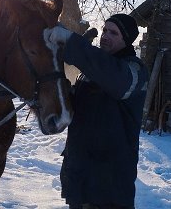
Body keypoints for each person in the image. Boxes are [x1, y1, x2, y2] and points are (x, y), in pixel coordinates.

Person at [48, 14, 148, 209]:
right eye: (105, 30)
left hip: (109, 185)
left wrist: (71, 43)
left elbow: (116, 81)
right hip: (81, 177)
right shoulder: (90, 73)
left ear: (126, 39)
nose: (105, 36)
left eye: (113, 33)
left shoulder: (135, 71)